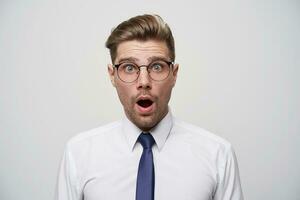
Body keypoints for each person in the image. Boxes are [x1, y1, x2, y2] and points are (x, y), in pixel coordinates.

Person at [55, 14, 244, 200]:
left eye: (157, 67)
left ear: (174, 74)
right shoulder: (78, 154)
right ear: (112, 75)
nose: (144, 82)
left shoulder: (218, 155)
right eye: (129, 68)